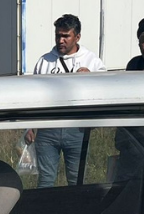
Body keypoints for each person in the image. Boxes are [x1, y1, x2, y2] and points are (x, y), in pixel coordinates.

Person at [30, 14, 106, 188]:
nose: (61, 40)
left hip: (77, 127)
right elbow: (34, 96)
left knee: (76, 179)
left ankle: (75, 213)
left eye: (66, 36)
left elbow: (106, 90)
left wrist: (92, 78)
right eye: (58, 35)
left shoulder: (92, 61)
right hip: (48, 127)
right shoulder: (45, 61)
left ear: (77, 37)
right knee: (46, 179)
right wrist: (30, 126)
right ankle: (44, 213)